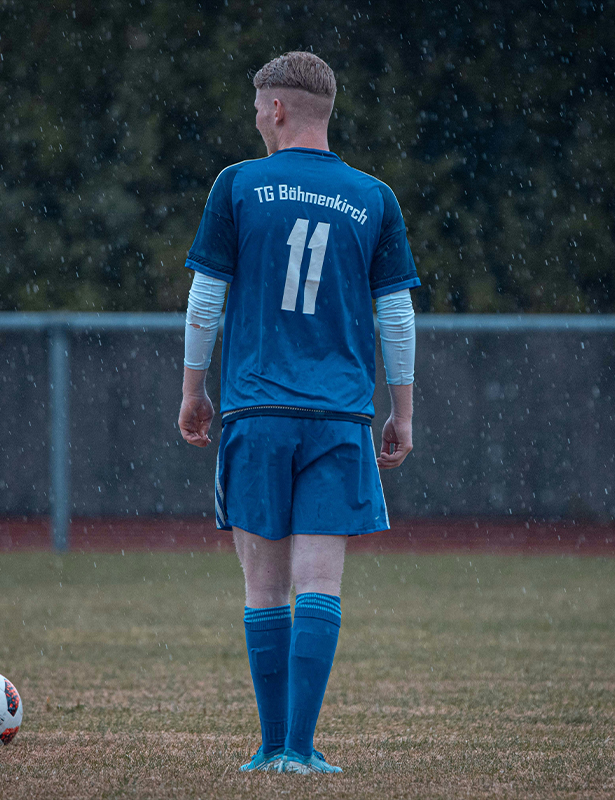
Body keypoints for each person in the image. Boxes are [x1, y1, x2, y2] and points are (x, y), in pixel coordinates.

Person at [178, 51, 419, 775]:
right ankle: (302, 751)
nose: (255, 119)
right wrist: (401, 411)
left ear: (277, 109)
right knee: (320, 583)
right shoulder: (374, 197)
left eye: (258, 107)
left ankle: (269, 746)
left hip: (258, 409)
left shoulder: (238, 185)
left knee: (264, 588)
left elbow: (205, 300)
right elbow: (397, 316)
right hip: (340, 416)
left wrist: (192, 390)